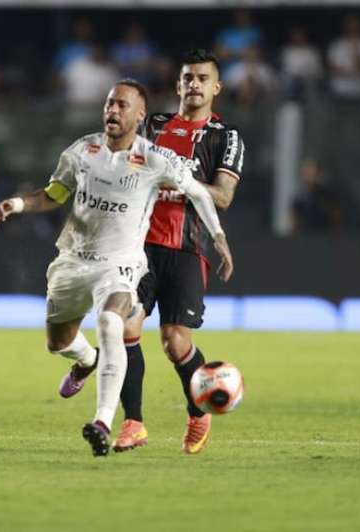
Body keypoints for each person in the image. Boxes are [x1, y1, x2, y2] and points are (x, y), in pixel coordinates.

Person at [0, 80, 232, 457]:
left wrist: (217, 236)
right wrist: (17, 205)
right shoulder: (82, 150)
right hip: (73, 259)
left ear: (139, 116)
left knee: (113, 323)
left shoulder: (154, 158)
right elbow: (54, 194)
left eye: (121, 105)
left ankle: (105, 421)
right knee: (58, 342)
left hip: (121, 264)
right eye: (108, 104)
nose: (112, 111)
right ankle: (87, 361)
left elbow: (200, 192)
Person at [114, 49, 246, 455]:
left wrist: (180, 183)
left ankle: (198, 411)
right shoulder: (152, 125)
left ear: (216, 88)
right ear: (178, 85)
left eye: (202, 78)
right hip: (139, 246)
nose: (194, 84)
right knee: (124, 327)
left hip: (188, 247)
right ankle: (133, 422)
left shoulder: (226, 137)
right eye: (188, 77)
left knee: (174, 341)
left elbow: (222, 196)